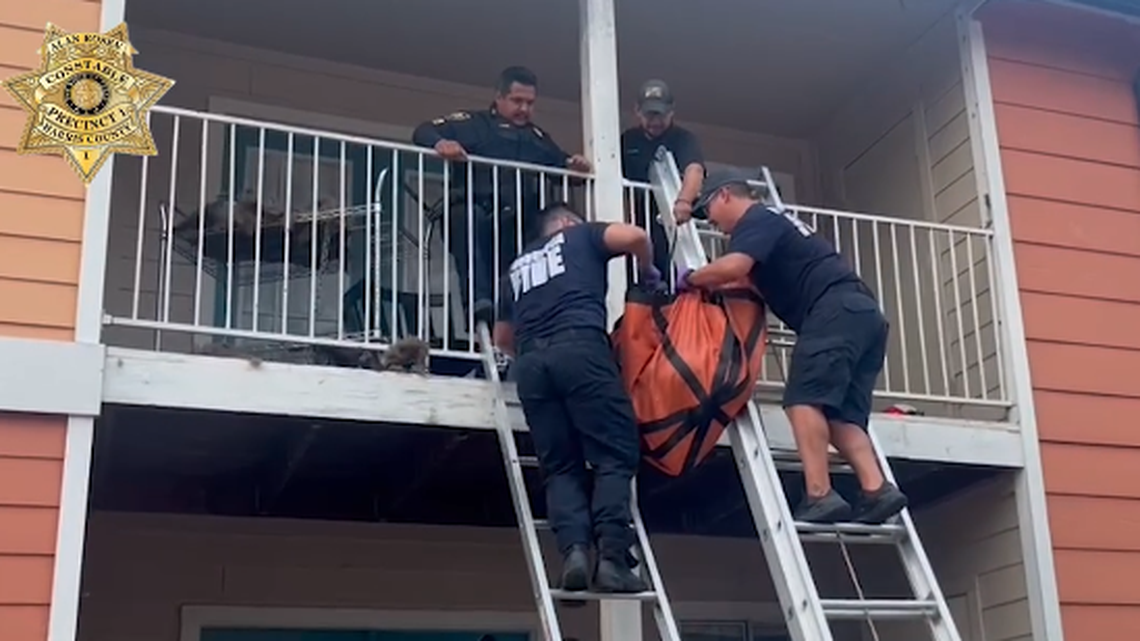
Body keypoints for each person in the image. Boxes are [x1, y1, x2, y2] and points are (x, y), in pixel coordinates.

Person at [677, 168, 908, 525]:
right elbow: (745, 280)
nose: (711, 222)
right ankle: (877, 489)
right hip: (863, 315)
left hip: (832, 312)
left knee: (803, 401)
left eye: (708, 210)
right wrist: (714, 286)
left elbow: (734, 266)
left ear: (725, 195)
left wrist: (691, 279)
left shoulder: (755, 219)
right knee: (841, 415)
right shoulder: (776, 224)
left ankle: (818, 495)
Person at [492, 202, 661, 593]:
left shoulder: (515, 267)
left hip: (532, 364)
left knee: (561, 465)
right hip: (581, 347)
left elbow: (503, 339)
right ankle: (613, 559)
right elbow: (635, 236)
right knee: (614, 454)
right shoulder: (581, 235)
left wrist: (541, 355)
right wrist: (648, 269)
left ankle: (575, 554)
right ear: (567, 223)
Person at [412, 66, 593, 319]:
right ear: (499, 97)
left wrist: (575, 166)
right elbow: (423, 131)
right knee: (467, 218)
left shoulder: (537, 138)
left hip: (517, 225)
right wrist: (441, 143)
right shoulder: (474, 124)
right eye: (517, 101)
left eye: (530, 103)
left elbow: (562, 168)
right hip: (476, 215)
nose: (524, 109)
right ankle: (478, 303)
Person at [620, 79, 706, 277]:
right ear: (637, 111)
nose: (656, 121)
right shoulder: (627, 140)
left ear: (672, 111)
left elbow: (695, 170)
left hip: (676, 224)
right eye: (650, 115)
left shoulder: (683, 139)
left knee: (674, 276)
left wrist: (684, 201)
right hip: (640, 224)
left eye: (661, 115)